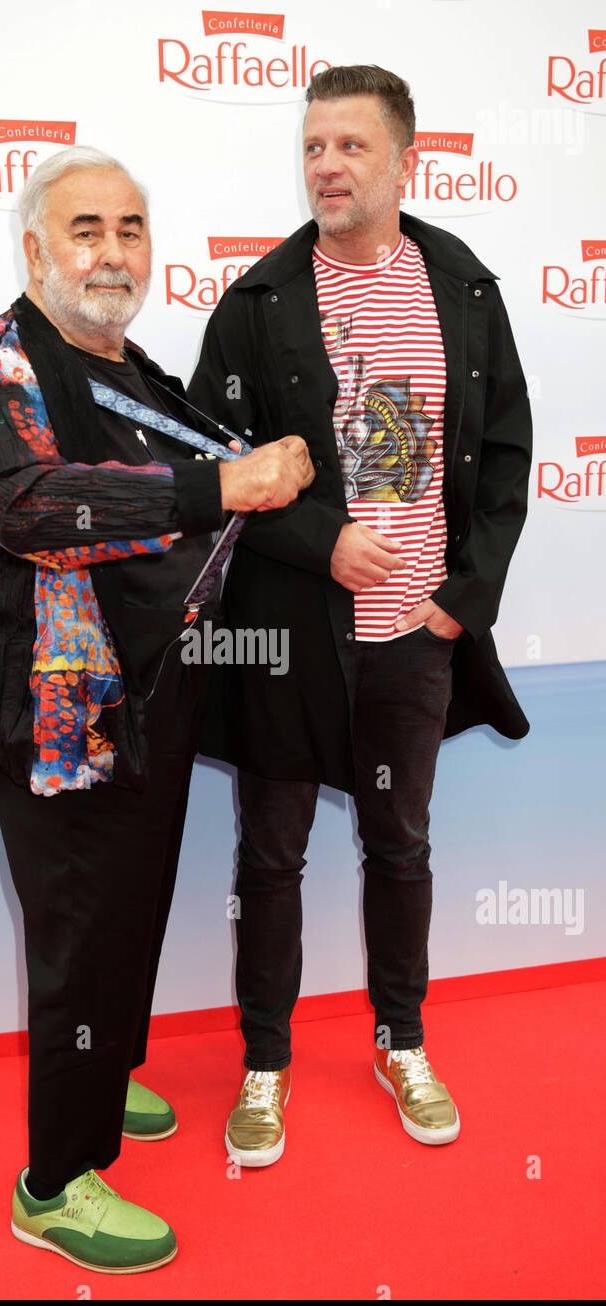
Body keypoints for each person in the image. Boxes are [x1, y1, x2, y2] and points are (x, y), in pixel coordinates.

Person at [0, 146, 313, 1269]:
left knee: (128, 917)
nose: (111, 251)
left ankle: (101, 1072)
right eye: (86, 228)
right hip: (53, 722)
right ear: (35, 249)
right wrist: (218, 486)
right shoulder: (2, 373)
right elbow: (29, 506)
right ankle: (53, 1182)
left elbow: (202, 470)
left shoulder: (125, 361)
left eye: (130, 229)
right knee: (77, 944)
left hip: (146, 700)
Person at [188, 65, 532, 1166]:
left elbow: (508, 451)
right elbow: (213, 468)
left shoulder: (463, 289)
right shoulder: (255, 305)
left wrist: (457, 603)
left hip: (412, 637)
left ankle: (400, 1040)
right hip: (289, 635)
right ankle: (264, 1062)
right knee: (269, 856)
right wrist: (316, 540)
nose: (325, 166)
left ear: (403, 160)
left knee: (401, 844)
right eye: (311, 147)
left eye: (348, 146)